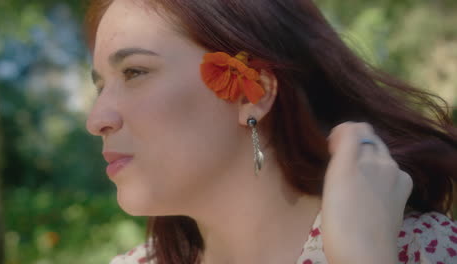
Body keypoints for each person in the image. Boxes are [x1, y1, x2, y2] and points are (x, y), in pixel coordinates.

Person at [84, 0, 457, 263]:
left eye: (134, 72)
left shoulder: (427, 251)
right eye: (101, 86)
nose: (96, 118)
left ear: (253, 93)